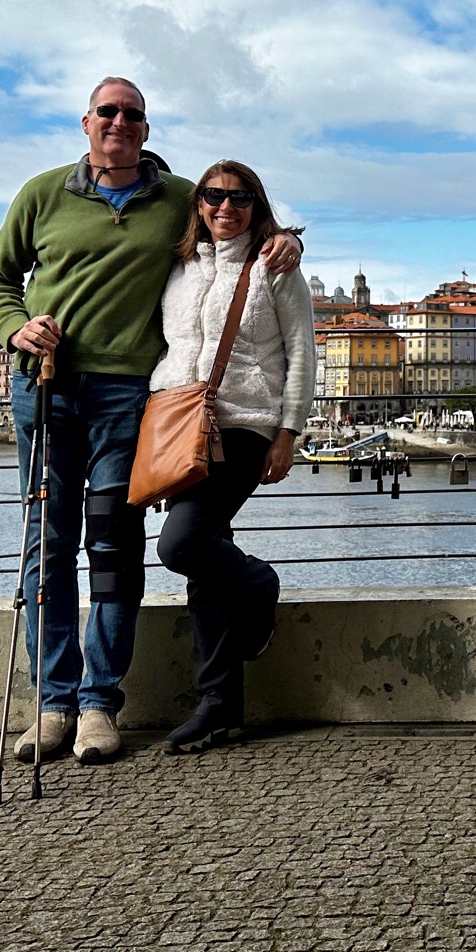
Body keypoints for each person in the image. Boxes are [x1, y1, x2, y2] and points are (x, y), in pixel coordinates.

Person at [0, 78, 303, 766]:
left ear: (146, 130)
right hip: (46, 387)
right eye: (108, 112)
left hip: (129, 398)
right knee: (47, 546)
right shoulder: (42, 194)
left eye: (132, 114)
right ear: (87, 123)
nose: (119, 122)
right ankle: (53, 702)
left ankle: (99, 704)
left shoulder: (180, 197)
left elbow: (240, 221)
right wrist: (14, 326)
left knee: (116, 547)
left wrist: (286, 245)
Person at [150, 160, 315, 752]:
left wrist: (287, 433)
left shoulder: (275, 265)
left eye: (240, 197)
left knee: (182, 545)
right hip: (182, 426)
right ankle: (219, 704)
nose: (226, 207)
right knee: (201, 560)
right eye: (214, 197)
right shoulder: (178, 266)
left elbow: (302, 353)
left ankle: (260, 584)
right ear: (197, 204)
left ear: (256, 204)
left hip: (246, 426)